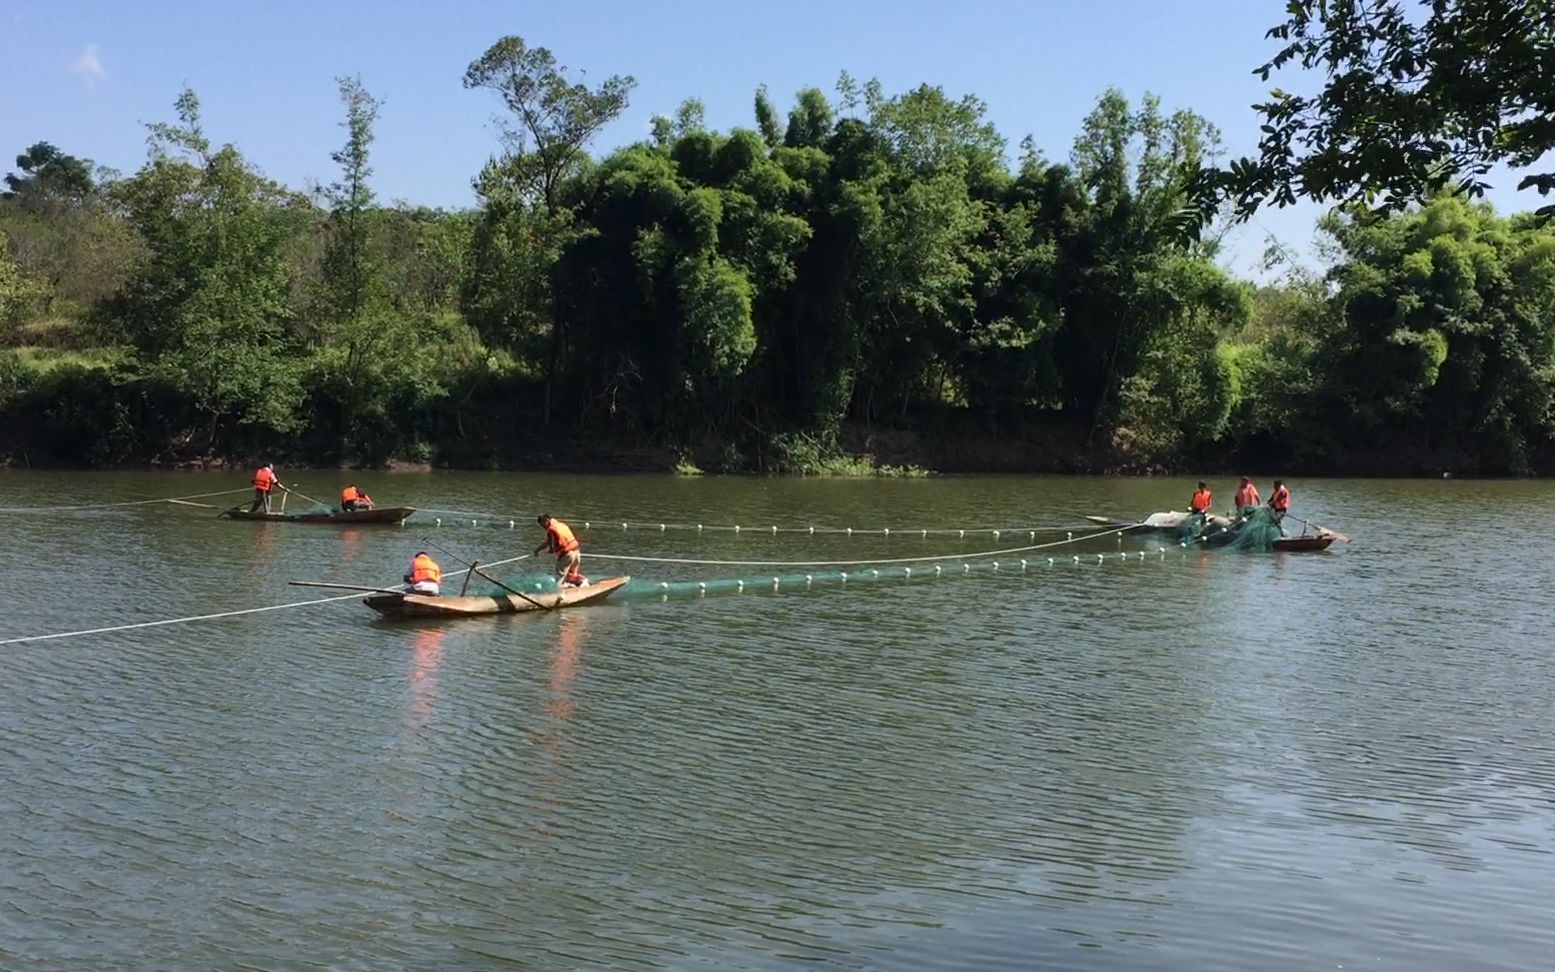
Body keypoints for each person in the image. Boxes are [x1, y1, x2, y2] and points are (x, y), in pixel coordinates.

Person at [534, 513, 582, 585]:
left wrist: (537, 550)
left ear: (546, 521)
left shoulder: (551, 529)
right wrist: (551, 549)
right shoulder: (561, 525)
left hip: (568, 555)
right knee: (572, 574)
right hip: (576, 552)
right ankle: (579, 585)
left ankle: (557, 593)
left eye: (542, 525)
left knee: (559, 576)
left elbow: (549, 543)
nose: (543, 527)